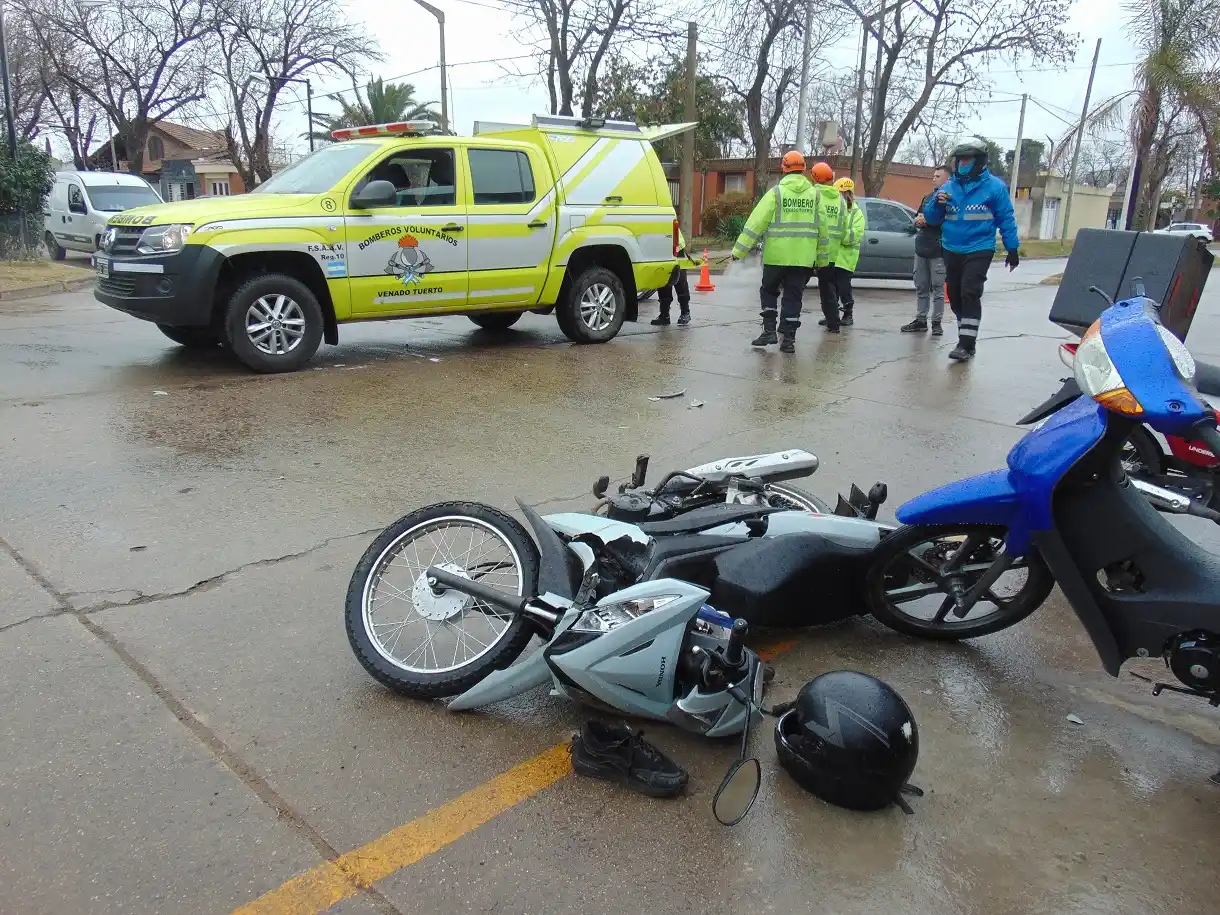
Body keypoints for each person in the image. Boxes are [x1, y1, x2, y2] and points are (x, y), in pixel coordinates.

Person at [922, 136, 1020, 361]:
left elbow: (1006, 218)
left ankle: (966, 344)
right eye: (960, 159)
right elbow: (932, 219)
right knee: (955, 296)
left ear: (979, 161)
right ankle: (966, 335)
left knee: (970, 291)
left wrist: (1012, 249)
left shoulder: (994, 187)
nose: (962, 163)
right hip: (951, 247)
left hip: (980, 247)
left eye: (967, 159)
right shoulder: (947, 188)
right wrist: (937, 204)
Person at [731, 150, 825, 353]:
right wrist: (821, 259)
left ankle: (769, 331)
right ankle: (789, 340)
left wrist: (739, 251)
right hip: (803, 259)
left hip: (777, 256)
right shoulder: (816, 195)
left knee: (769, 291)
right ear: (804, 169)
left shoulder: (776, 193)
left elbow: (756, 223)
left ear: (784, 168)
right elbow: (823, 230)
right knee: (793, 296)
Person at [902, 165, 949, 336]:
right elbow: (918, 216)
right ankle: (921, 320)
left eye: (938, 176)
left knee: (937, 288)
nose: (933, 178)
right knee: (921, 286)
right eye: (933, 175)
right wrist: (917, 221)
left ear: (947, 179)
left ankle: (936, 323)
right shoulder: (928, 198)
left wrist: (928, 221)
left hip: (938, 250)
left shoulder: (950, 200)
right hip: (921, 248)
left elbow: (949, 223)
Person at [810, 162, 843, 332]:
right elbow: (843, 225)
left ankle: (788, 323)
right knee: (828, 287)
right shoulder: (840, 199)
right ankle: (834, 322)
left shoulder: (813, 194)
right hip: (832, 251)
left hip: (812, 249)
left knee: (795, 287)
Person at [830, 177, 866, 326]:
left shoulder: (856, 213)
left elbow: (855, 235)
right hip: (832, 256)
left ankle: (848, 314)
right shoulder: (835, 209)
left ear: (847, 193)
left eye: (840, 193)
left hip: (846, 258)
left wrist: (838, 235)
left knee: (843, 287)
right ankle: (831, 314)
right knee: (831, 288)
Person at [651, 228, 691, 326]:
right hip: (661, 247)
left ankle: (685, 312)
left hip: (676, 246)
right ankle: (664, 315)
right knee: (663, 280)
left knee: (680, 281)